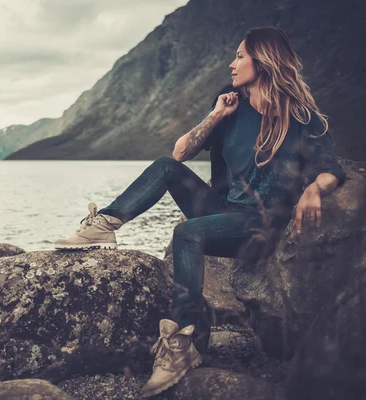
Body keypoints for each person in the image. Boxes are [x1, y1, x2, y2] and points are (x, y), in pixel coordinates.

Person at [54, 26, 346, 397]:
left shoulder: (303, 119)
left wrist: (314, 191)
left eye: (240, 56)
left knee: (186, 232)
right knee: (164, 166)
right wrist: (215, 116)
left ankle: (181, 342)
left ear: (264, 59)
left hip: (263, 224)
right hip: (226, 209)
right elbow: (179, 153)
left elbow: (330, 168)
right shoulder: (231, 106)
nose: (232, 63)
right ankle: (106, 223)